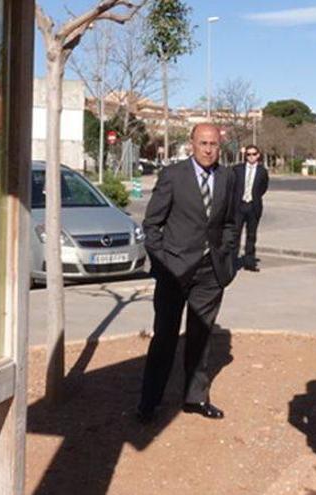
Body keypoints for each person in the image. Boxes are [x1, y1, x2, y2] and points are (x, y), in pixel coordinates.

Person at [138, 123, 237, 422]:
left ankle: (195, 398)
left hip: (210, 273)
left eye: (214, 144)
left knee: (201, 337)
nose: (209, 149)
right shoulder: (173, 176)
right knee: (165, 338)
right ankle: (149, 403)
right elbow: (151, 225)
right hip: (174, 271)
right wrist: (163, 263)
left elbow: (230, 223)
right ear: (191, 144)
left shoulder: (227, 177)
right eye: (203, 143)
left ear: (220, 146)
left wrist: (226, 258)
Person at [234, 144, 269, 272]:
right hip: (239, 206)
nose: (251, 157)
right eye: (248, 154)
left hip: (253, 206)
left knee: (251, 235)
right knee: (235, 234)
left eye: (254, 154)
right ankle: (232, 262)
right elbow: (232, 186)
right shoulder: (237, 169)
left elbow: (263, 188)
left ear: (258, 155)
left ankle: (249, 262)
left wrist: (254, 196)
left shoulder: (262, 171)